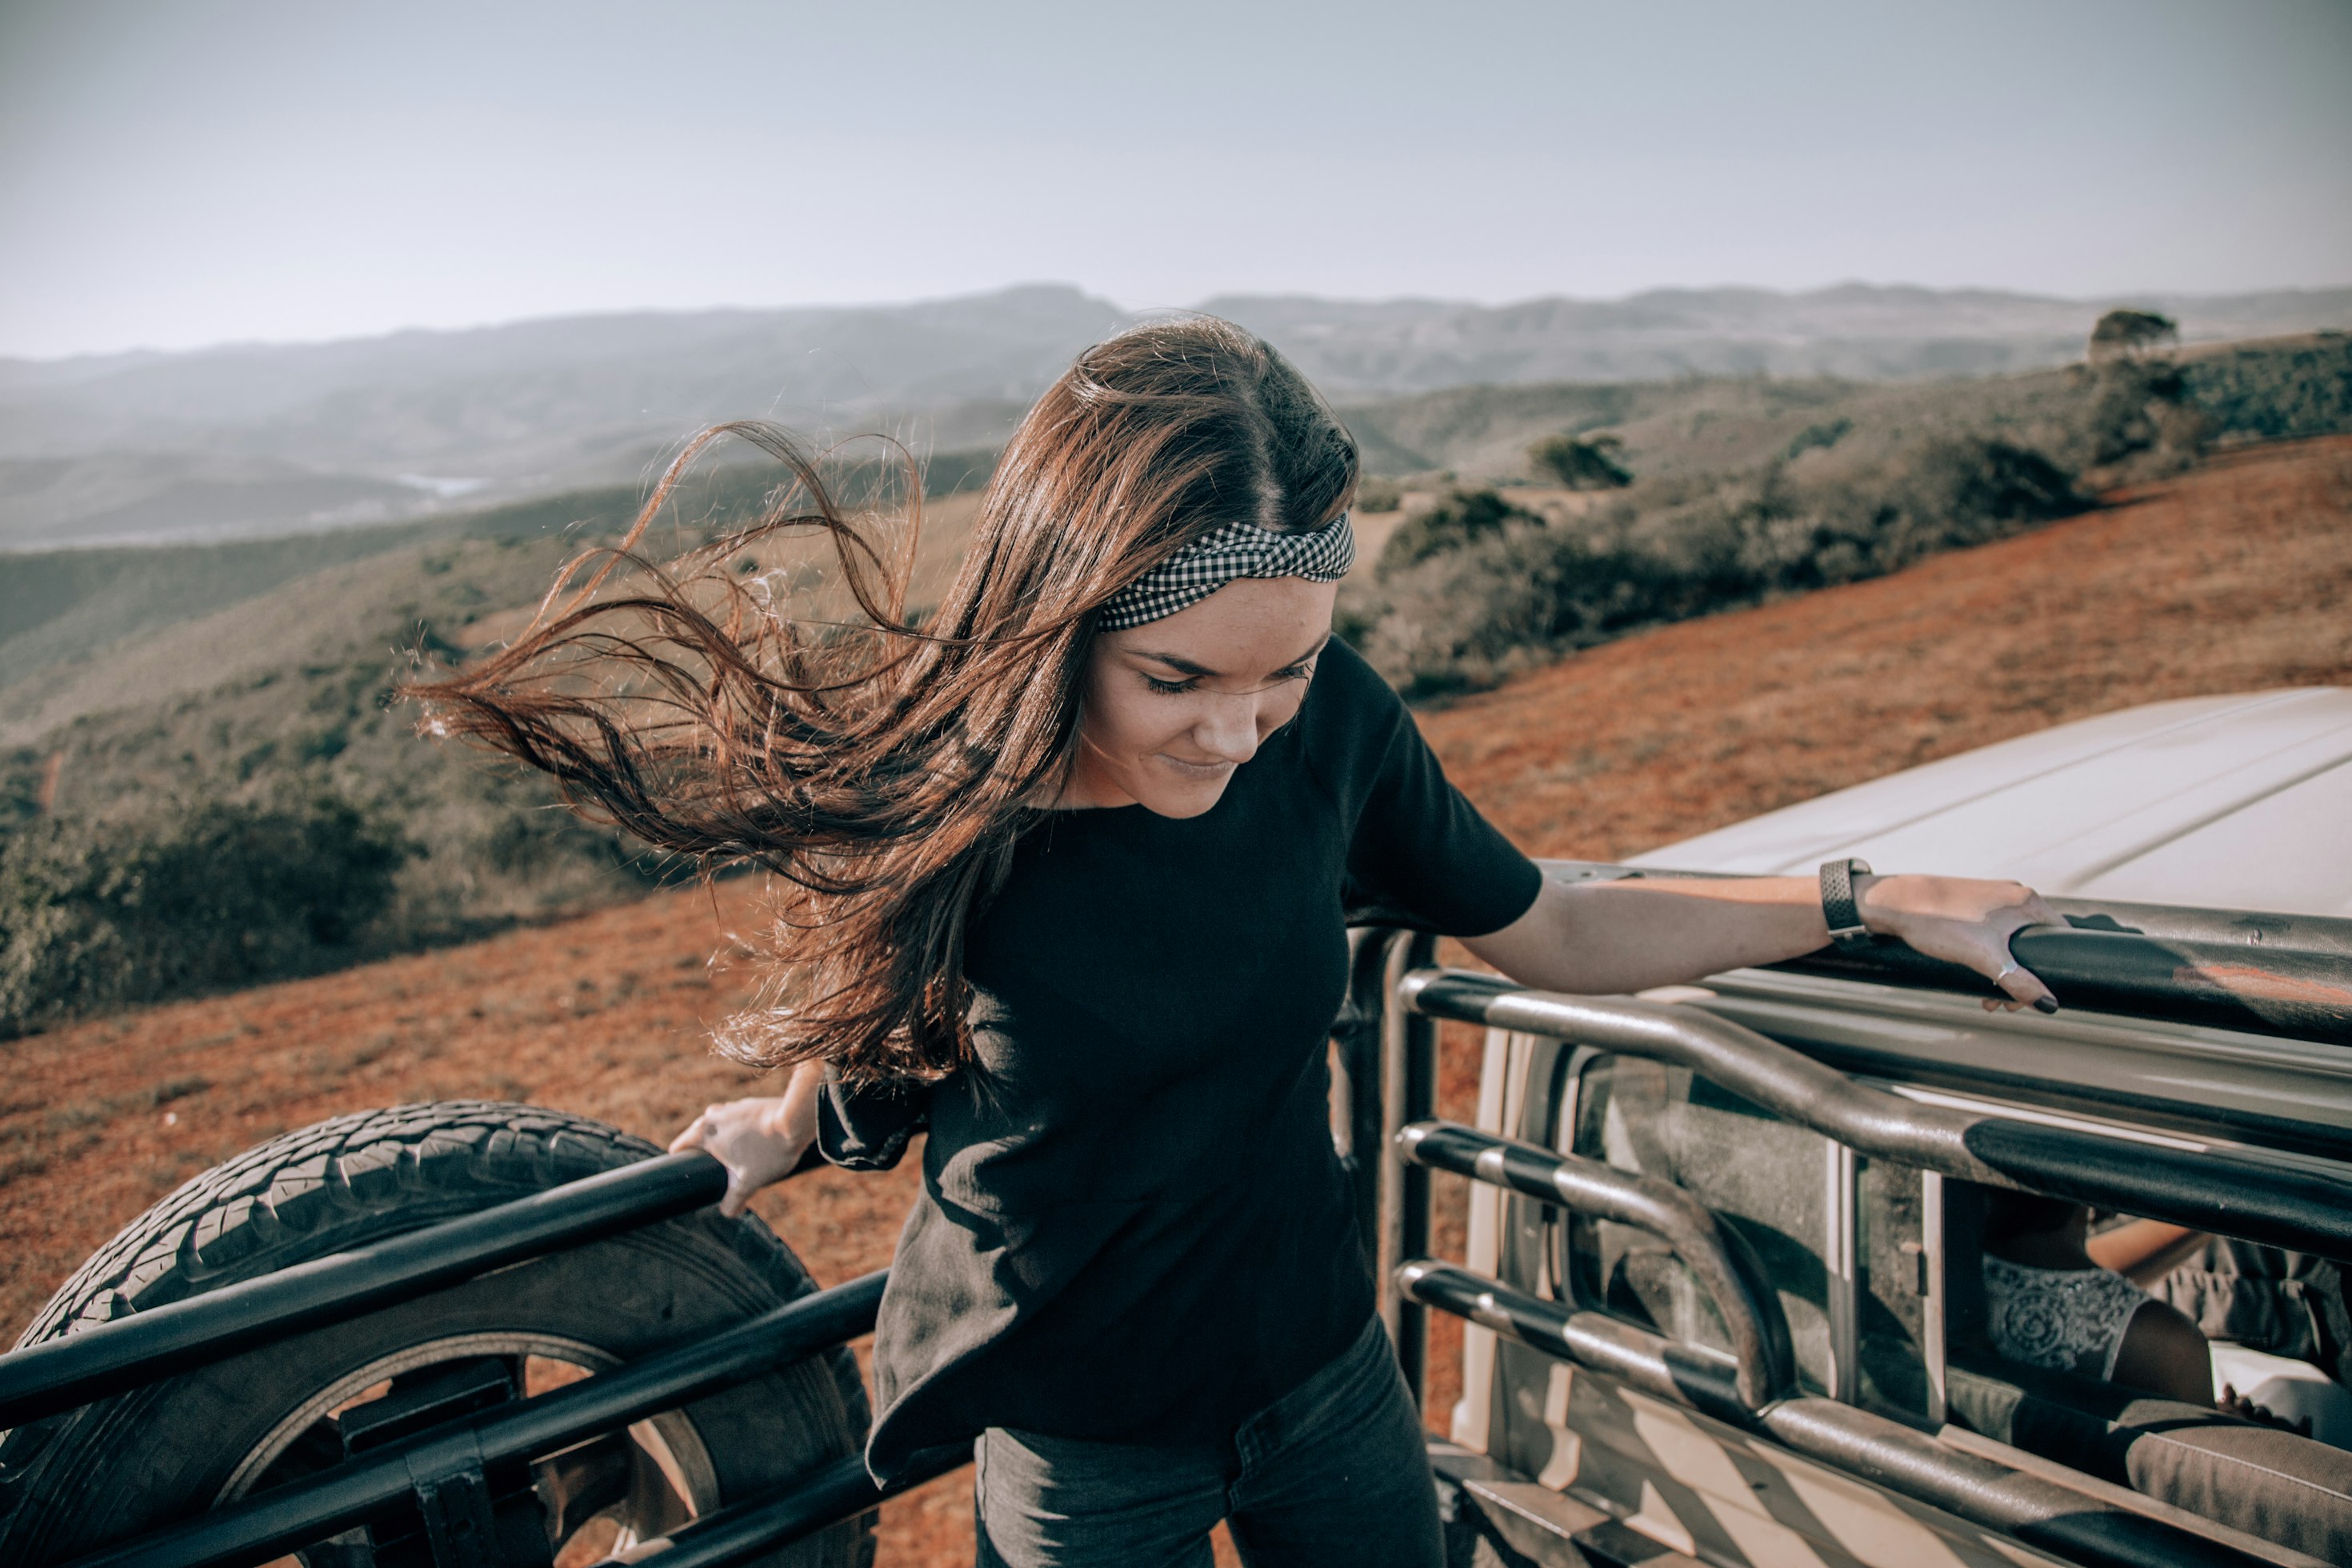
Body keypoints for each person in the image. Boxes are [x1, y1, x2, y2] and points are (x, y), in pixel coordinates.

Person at [414, 317, 2065, 1568]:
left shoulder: (1328, 730)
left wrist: (1872, 896)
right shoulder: (952, 804)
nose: (1238, 731)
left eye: (1282, 670)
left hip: (1326, 1375)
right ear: (1061, 632)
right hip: (1079, 1434)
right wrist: (782, 1121)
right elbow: (873, 998)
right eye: (1181, 682)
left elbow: (1552, 919)